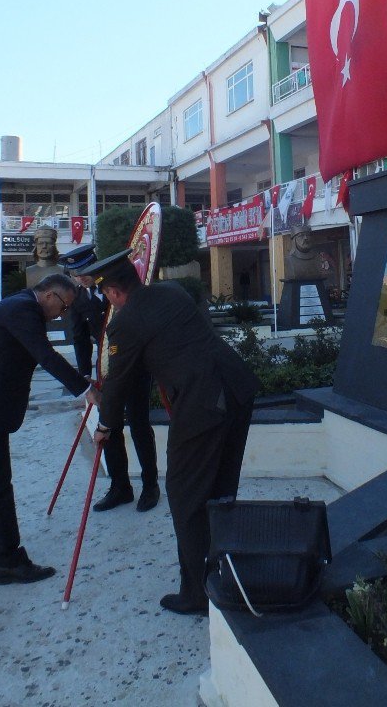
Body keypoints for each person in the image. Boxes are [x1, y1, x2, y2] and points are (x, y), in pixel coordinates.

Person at [82, 249, 259, 615]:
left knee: (185, 494)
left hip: (203, 404)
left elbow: (116, 384)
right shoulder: (172, 291)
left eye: (106, 295)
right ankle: (225, 569)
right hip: (236, 387)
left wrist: (104, 426)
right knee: (221, 487)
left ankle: (198, 593)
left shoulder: (125, 322)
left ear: (113, 292)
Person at [0, 274, 98, 584]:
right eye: (64, 306)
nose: (62, 314)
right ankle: (8, 560)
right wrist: (84, 389)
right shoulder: (23, 310)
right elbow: (46, 355)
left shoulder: (20, 306)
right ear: (50, 295)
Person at [59, 243, 160, 514]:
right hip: (107, 369)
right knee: (109, 428)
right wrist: (84, 374)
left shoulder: (118, 285)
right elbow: (80, 338)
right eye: (76, 274)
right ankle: (120, 487)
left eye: (85, 272)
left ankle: (150, 485)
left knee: (140, 426)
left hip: (136, 367)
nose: (81, 278)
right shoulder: (79, 298)